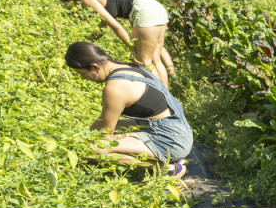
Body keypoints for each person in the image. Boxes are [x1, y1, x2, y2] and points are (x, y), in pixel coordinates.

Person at [64, 41, 190, 178]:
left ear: (95, 67)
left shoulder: (116, 87)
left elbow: (104, 135)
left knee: (91, 150)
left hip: (171, 140)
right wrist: (84, 139)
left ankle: (169, 167)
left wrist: (81, 156)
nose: (83, 78)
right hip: (176, 128)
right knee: (95, 133)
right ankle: (163, 156)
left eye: (82, 74)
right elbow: (101, 125)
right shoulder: (128, 67)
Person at [55, 0, 172, 87]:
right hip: (155, 8)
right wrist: (87, 41)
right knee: (155, 59)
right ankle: (167, 97)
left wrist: (131, 48)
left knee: (144, 61)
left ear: (69, 0)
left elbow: (116, 27)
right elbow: (103, 26)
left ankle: (161, 96)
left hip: (144, 12)